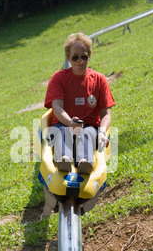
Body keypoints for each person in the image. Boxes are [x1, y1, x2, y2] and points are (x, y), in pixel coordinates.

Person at [44, 32, 115, 174]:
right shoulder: (59, 78)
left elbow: (106, 113)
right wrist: (70, 122)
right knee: (63, 132)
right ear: (68, 58)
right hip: (64, 124)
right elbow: (56, 107)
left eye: (84, 56)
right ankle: (64, 159)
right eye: (75, 57)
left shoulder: (99, 80)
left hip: (89, 126)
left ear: (89, 56)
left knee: (87, 133)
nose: (80, 61)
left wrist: (102, 132)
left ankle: (85, 162)